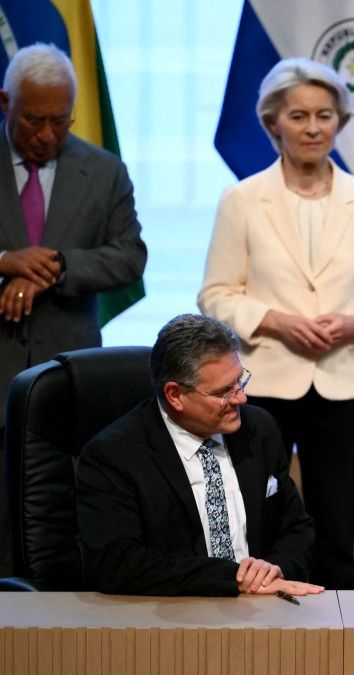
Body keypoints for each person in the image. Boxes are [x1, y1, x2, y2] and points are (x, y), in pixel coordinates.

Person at [198, 58, 354, 589]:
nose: (313, 127)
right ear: (273, 124)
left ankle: (340, 647)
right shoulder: (242, 199)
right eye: (299, 115)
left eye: (325, 115)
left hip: (341, 386)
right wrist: (275, 321)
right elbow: (215, 295)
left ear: (340, 122)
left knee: (336, 533)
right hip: (263, 386)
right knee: (260, 528)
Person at [0, 42, 147, 577]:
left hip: (66, 373)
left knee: (61, 523)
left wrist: (54, 267)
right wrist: (5, 262)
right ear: (4, 104)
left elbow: (130, 258)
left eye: (60, 123)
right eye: (34, 121)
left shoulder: (104, 170)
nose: (46, 136)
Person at [76, 314, 322, 597]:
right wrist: (233, 578)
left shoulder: (259, 430)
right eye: (223, 391)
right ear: (175, 395)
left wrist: (272, 572)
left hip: (266, 606)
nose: (240, 398)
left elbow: (296, 530)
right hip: (170, 619)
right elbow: (119, 564)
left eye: (240, 381)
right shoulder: (114, 455)